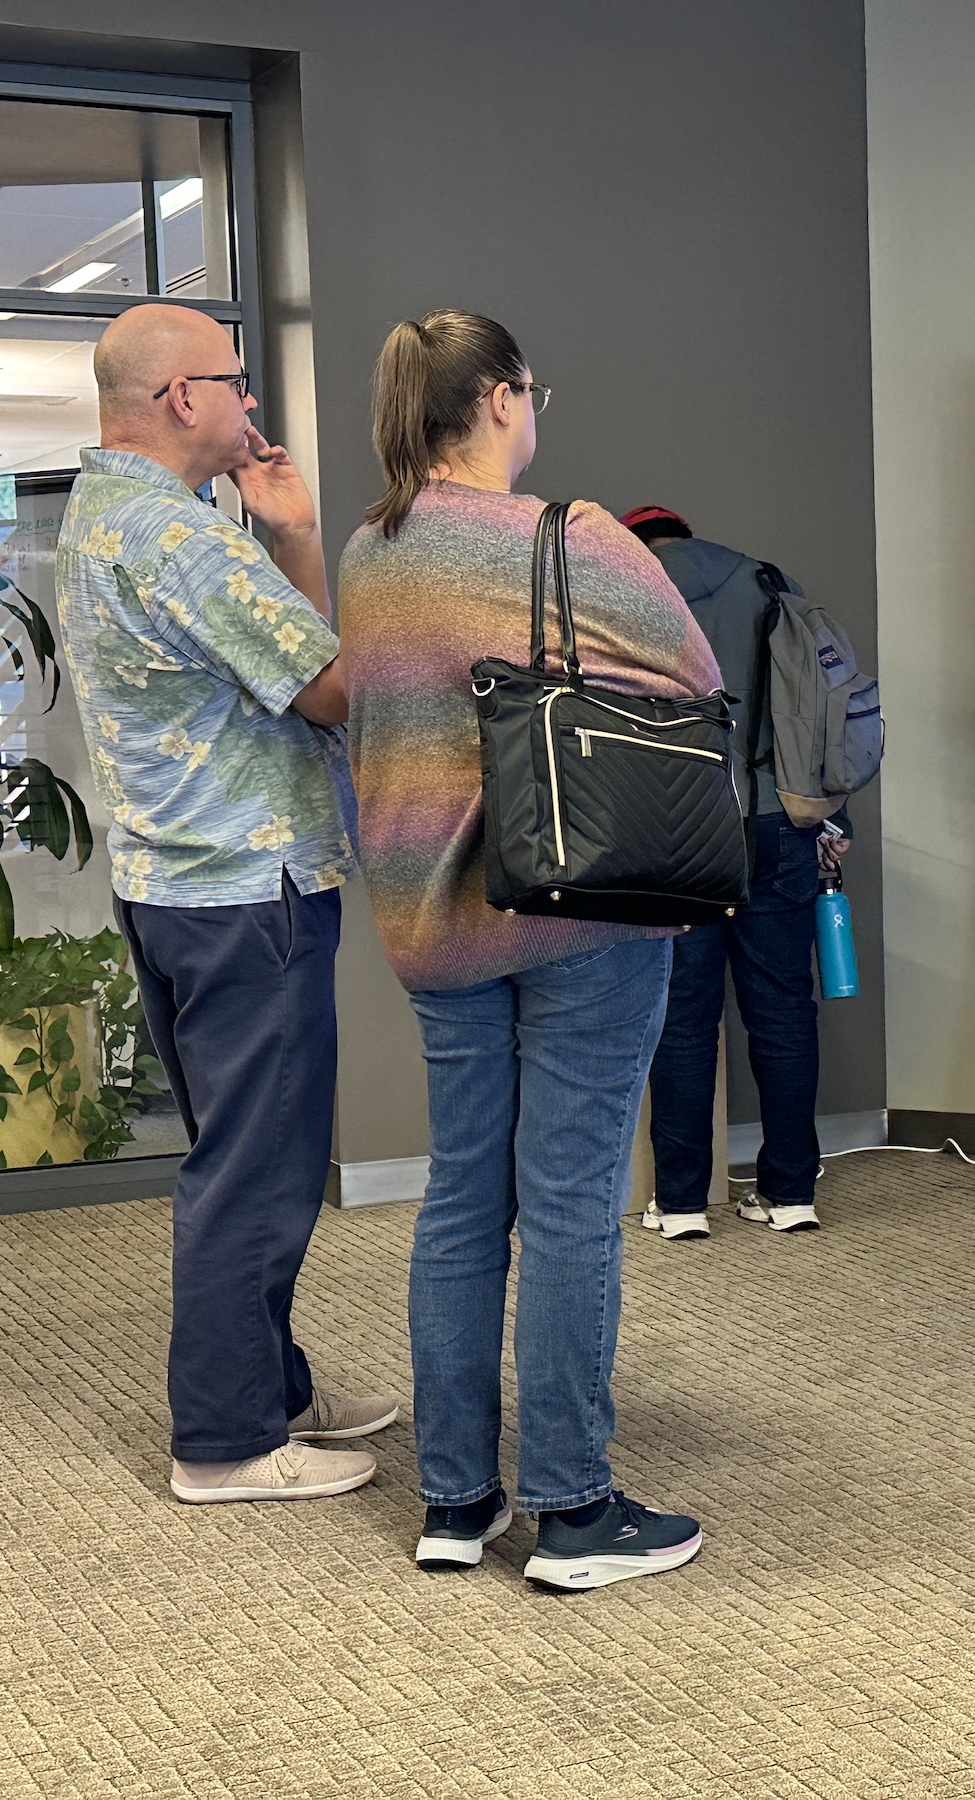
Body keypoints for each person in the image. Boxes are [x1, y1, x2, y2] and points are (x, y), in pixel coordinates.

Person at [339, 310, 716, 1589]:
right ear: (500, 400)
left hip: (432, 927)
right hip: (580, 909)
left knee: (461, 1199)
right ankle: (573, 1508)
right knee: (568, 1208)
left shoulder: (370, 554)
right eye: (531, 390)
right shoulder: (581, 538)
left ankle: (456, 1502)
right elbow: (701, 681)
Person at [57, 303, 394, 1506]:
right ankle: (226, 1440)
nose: (253, 406)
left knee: (244, 1152)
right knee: (256, 1169)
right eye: (238, 382)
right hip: (247, 890)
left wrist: (289, 531)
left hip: (178, 887)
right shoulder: (177, 543)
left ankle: (275, 1385)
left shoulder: (116, 516)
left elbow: (290, 654)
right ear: (182, 397)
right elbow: (333, 686)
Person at [618, 505, 847, 1240]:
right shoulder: (768, 582)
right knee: (782, 1010)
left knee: (683, 1019)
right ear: (687, 535)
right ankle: (790, 1194)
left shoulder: (624, 590)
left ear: (638, 543)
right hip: (779, 822)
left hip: (677, 831)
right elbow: (814, 709)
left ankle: (682, 1204)